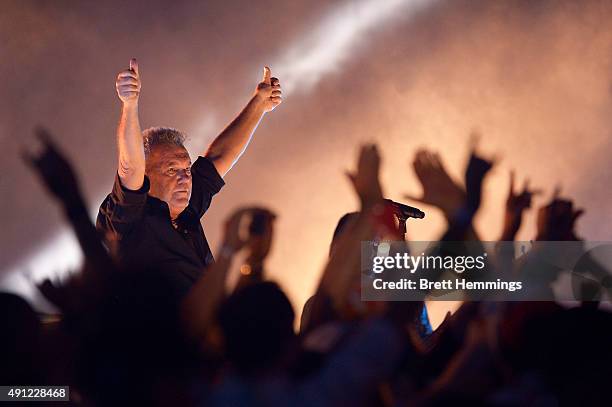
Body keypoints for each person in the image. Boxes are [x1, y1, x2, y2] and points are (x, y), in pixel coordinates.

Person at [97, 58, 282, 296]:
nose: (185, 178)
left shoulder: (187, 208)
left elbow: (218, 156)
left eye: (186, 169)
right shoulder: (128, 218)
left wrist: (259, 104)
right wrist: (129, 105)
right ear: (146, 176)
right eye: (172, 170)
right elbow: (129, 167)